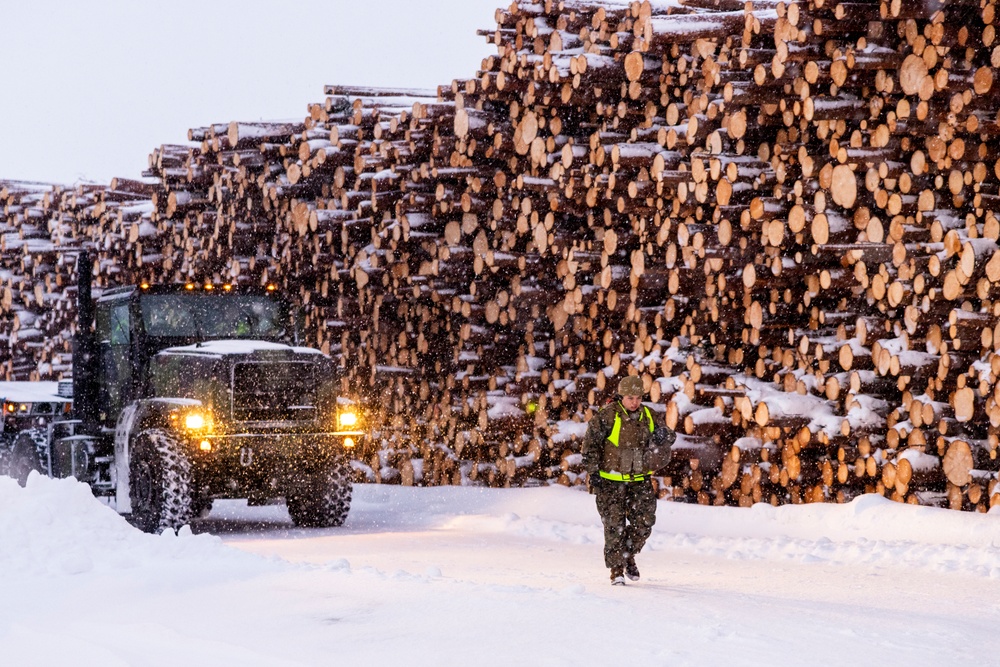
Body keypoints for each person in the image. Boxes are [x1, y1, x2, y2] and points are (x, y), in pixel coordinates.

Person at [582, 375, 674, 585]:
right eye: (631, 397)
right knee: (614, 526)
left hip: (639, 481)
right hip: (610, 481)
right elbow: (590, 445)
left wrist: (663, 435)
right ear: (621, 396)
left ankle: (627, 554)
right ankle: (616, 571)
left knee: (645, 523)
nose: (635, 402)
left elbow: (669, 435)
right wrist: (593, 472)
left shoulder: (647, 415)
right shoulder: (607, 416)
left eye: (638, 397)